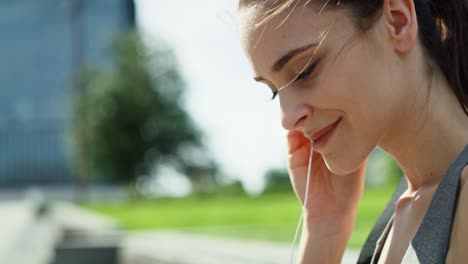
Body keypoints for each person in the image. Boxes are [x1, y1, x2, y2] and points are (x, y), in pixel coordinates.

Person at [237, 0, 468, 263]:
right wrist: (325, 228)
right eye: (275, 92)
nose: (287, 119)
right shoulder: (402, 212)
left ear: (397, 20)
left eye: (304, 71)